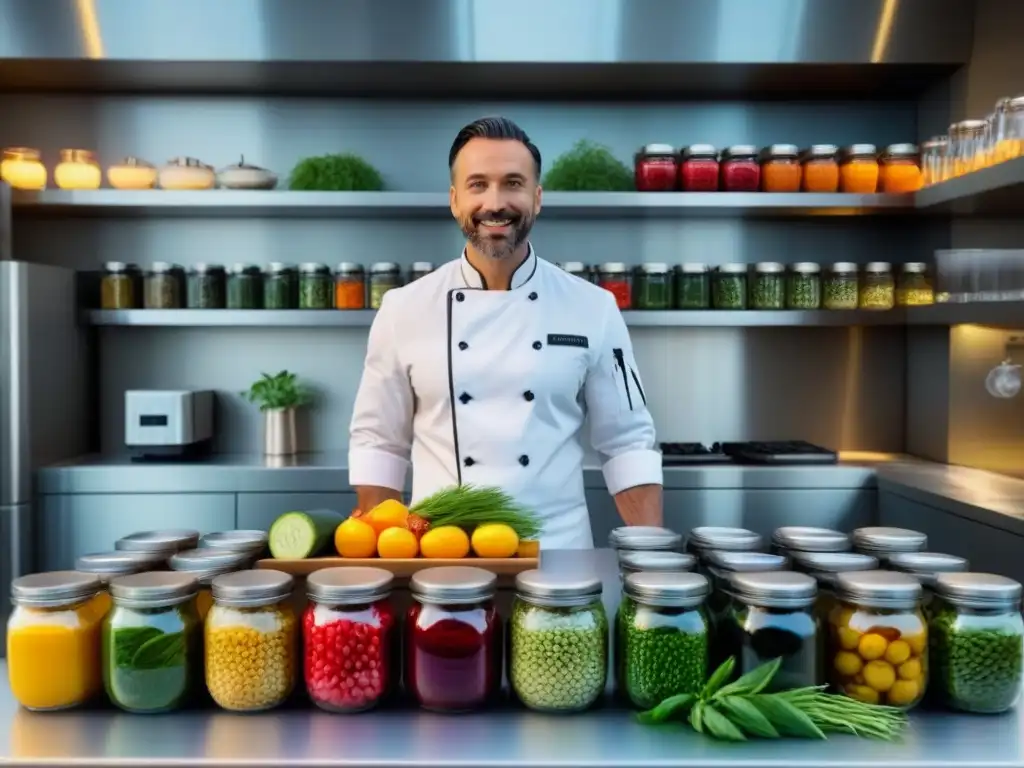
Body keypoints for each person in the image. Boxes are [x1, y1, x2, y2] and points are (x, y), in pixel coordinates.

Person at [348, 116, 663, 549]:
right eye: (478, 184)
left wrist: (650, 564)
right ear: (455, 200)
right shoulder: (403, 309)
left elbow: (628, 443)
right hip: (441, 553)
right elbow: (379, 442)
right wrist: (381, 557)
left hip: (557, 552)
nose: (495, 203)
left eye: (512, 183)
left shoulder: (593, 307)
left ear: (537, 198)